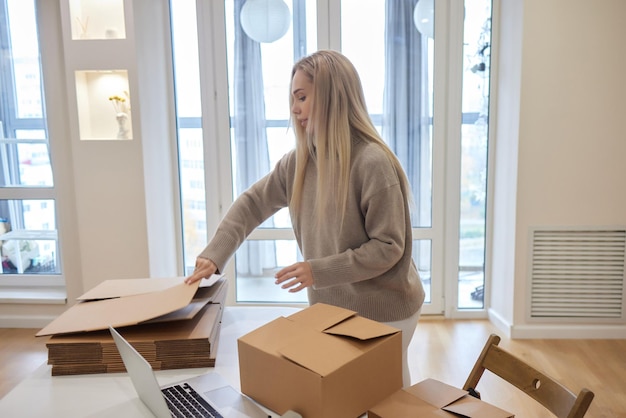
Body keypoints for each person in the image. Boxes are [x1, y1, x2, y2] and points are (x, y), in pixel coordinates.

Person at [185, 49, 425, 387]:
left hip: (386, 309)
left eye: (302, 97)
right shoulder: (298, 163)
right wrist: (215, 253)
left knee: (380, 394)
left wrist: (318, 270)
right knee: (344, 391)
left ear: (331, 98)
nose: (294, 108)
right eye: (292, 98)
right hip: (333, 307)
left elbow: (388, 247)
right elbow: (253, 203)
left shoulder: (372, 163)